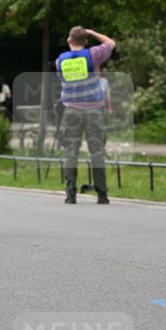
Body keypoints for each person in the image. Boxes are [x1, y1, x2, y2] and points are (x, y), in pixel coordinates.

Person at [55, 25, 116, 204]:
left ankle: (70, 192)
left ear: (69, 40)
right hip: (94, 110)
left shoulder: (61, 60)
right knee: (97, 152)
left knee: (70, 152)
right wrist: (93, 32)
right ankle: (102, 194)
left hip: (72, 110)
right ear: (86, 41)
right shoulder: (93, 54)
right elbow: (111, 43)